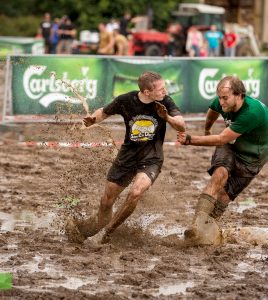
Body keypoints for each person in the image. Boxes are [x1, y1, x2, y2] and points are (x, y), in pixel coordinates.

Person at [65, 71, 186, 244]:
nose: (164, 92)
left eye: (164, 88)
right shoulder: (126, 101)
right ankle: (91, 228)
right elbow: (105, 112)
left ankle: (108, 232)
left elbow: (182, 125)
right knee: (106, 202)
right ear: (146, 92)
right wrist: (93, 119)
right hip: (127, 157)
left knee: (135, 192)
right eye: (160, 89)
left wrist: (166, 116)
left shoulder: (166, 101)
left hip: (152, 158)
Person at [177, 76, 268, 245]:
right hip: (231, 146)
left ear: (240, 95)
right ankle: (196, 227)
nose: (221, 102)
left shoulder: (252, 112)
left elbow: (221, 139)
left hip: (253, 159)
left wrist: (190, 139)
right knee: (219, 174)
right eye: (219, 97)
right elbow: (213, 110)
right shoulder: (223, 100)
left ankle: (207, 229)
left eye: (225, 98)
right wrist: (207, 128)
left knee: (224, 197)